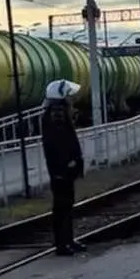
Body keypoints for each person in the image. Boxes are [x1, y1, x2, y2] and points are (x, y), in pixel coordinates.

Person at [41, 79, 87, 256]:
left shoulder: (60, 112)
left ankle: (68, 239)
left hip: (64, 168)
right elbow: (57, 144)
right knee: (62, 205)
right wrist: (66, 164)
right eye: (68, 95)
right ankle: (62, 243)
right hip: (60, 170)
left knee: (67, 204)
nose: (71, 99)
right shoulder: (55, 114)